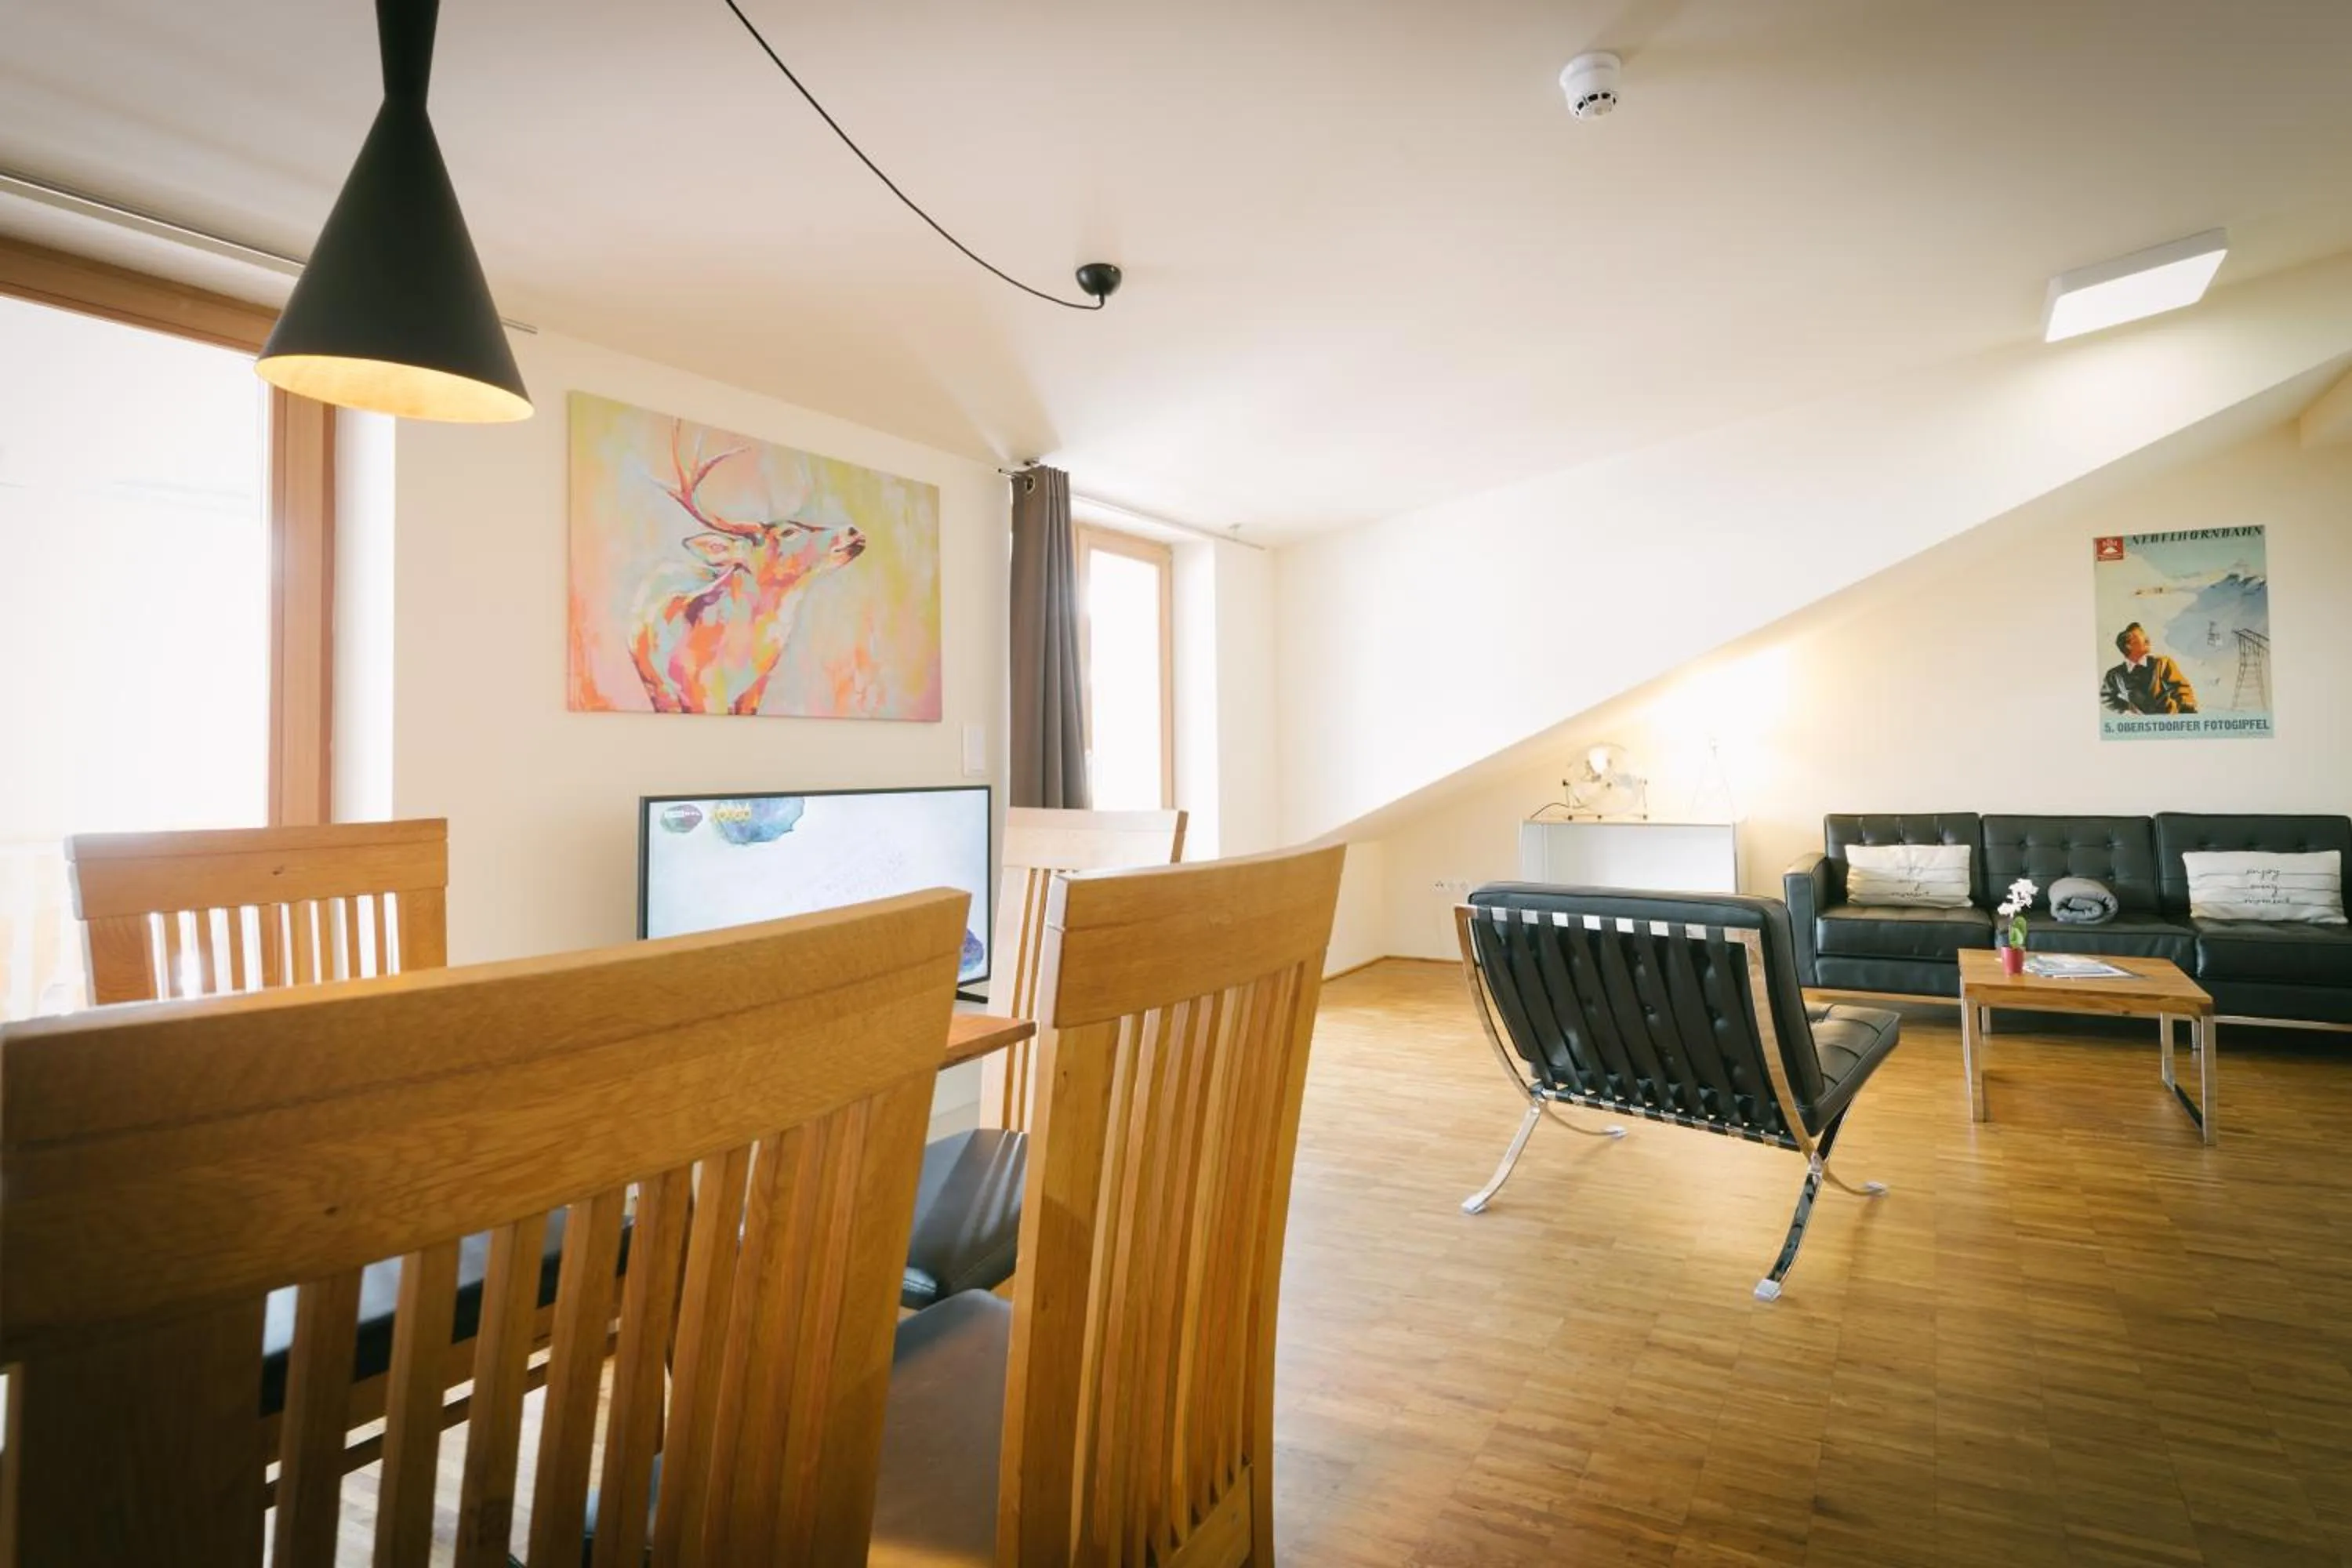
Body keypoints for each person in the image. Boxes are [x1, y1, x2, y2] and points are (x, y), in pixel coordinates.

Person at [2100, 622, 2198, 714]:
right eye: (2141, 636)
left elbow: (2180, 688)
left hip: (2167, 722)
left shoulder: (2162, 663)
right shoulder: (2115, 675)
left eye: (2144, 635)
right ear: (2129, 646)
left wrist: (2187, 709)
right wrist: (2126, 709)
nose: (2147, 639)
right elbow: (2105, 697)